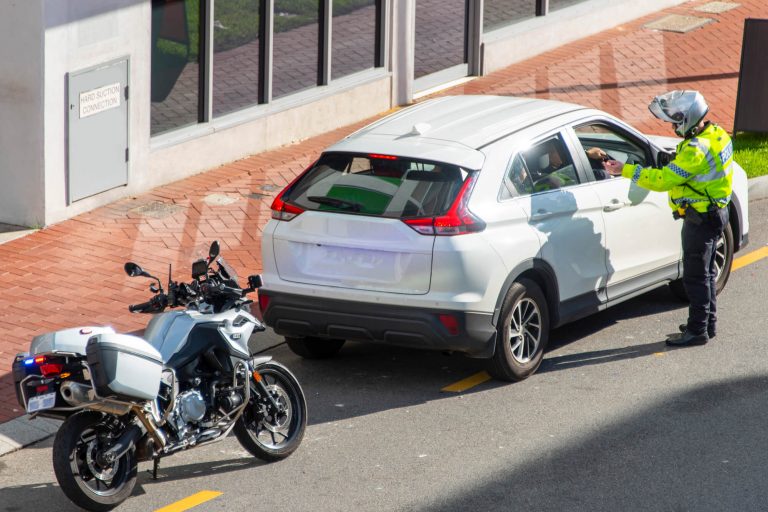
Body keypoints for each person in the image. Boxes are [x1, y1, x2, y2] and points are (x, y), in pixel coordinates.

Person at [604, 90, 733, 347]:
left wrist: (624, 169)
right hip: (717, 212)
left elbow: (663, 180)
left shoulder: (695, 150)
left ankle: (697, 331)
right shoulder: (717, 135)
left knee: (695, 277)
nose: (673, 126)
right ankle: (707, 323)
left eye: (676, 121)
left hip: (700, 217)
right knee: (706, 274)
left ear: (687, 118)